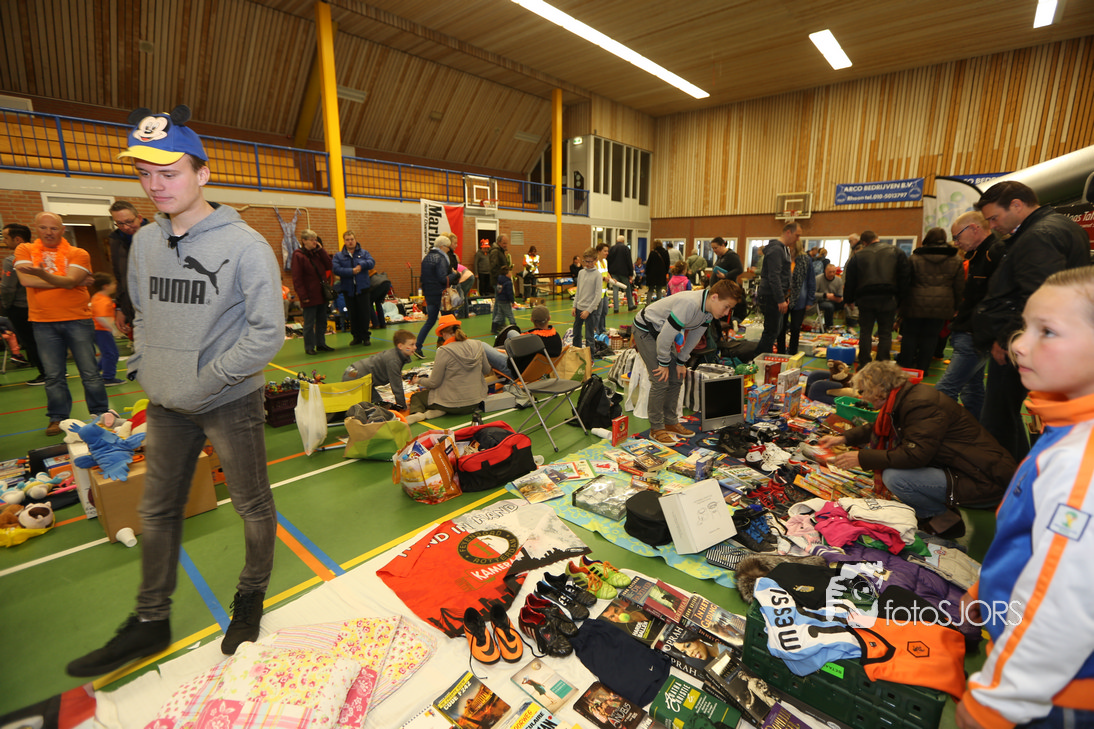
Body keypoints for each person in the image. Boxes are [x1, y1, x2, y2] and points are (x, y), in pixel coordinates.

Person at [66, 106, 283, 677]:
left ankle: (251, 596)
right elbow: (144, 314)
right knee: (157, 508)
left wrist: (204, 381)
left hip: (227, 400)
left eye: (170, 172)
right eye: (145, 174)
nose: (156, 185)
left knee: (252, 503)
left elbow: (267, 334)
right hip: (164, 403)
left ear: (202, 173)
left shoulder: (246, 245)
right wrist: (147, 368)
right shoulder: (144, 243)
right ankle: (150, 619)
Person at [956, 267, 1094, 729]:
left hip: (1054, 696)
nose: (1017, 344)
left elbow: (1065, 603)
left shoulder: (1081, 463)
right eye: (1024, 327)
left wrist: (999, 701)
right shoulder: (1066, 429)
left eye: (1046, 332)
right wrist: (986, 592)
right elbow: (1033, 544)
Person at [819, 361, 1015, 538]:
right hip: (968, 468)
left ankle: (944, 519)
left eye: (864, 391)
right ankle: (940, 513)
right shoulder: (906, 396)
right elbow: (879, 426)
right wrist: (844, 438)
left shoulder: (920, 404)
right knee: (895, 473)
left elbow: (915, 455)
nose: (862, 397)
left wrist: (862, 457)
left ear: (878, 389)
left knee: (895, 478)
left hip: (983, 478)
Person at [972, 180, 1090, 463]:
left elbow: (1037, 297)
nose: (993, 226)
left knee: (999, 417)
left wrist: (1007, 339)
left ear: (1016, 205)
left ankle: (1001, 478)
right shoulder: (1062, 227)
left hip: (1026, 341)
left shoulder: (1039, 236)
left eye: (994, 218)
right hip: (1051, 338)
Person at [13, 212, 110, 435]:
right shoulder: (24, 250)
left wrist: (44, 275)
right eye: (43, 227)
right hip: (43, 322)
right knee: (53, 375)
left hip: (78, 319)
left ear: (62, 230)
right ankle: (57, 418)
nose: (48, 232)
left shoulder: (78, 253)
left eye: (54, 228)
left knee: (90, 372)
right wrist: (67, 281)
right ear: (36, 228)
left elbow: (71, 280)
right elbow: (26, 280)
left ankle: (101, 414)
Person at [632, 279, 742, 444]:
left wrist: (681, 361)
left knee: (677, 375)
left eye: (730, 309)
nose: (727, 313)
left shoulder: (708, 311)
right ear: (714, 297)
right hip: (646, 329)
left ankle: (670, 421)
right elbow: (665, 338)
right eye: (726, 306)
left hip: (663, 332)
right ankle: (656, 428)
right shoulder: (690, 304)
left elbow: (695, 336)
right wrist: (663, 363)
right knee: (660, 379)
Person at [934, 212, 1006, 419]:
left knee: (944, 390)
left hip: (975, 335)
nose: (956, 242)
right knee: (972, 390)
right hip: (970, 331)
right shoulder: (977, 255)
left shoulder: (995, 253)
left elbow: (1000, 298)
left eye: (957, 237)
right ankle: (976, 430)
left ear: (974, 229)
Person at [897, 227, 963, 374]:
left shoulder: (914, 258)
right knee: (931, 338)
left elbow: (905, 283)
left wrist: (900, 305)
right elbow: (959, 286)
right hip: (942, 305)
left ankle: (905, 369)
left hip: (914, 303)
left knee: (910, 336)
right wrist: (957, 307)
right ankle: (923, 369)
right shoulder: (956, 260)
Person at [843, 230, 910, 370]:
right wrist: (901, 301)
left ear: (864, 243)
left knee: (865, 332)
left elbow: (850, 280)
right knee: (885, 333)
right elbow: (904, 277)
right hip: (888, 298)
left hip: (865, 299)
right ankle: (882, 365)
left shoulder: (858, 256)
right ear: (877, 238)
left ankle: (864, 364)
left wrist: (849, 299)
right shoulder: (896, 251)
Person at [406, 314, 489, 424]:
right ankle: (439, 410)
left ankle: (419, 414)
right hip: (475, 403)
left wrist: (418, 380)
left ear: (443, 333)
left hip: (452, 404)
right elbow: (487, 370)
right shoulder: (478, 345)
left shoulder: (444, 351)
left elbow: (434, 383)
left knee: (417, 397)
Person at [1, 223, 45, 384]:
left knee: (31, 341)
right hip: (43, 305)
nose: (4, 241)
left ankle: (46, 373)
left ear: (18, 239)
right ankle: (56, 370)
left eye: (6, 238)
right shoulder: (42, 255)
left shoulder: (12, 260)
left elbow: (8, 288)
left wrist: (6, 305)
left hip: (21, 307)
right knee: (45, 340)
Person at [751, 222, 798, 361]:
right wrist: (780, 299)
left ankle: (762, 359)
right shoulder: (776, 250)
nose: (798, 239)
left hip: (776, 295)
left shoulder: (784, 249)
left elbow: (784, 276)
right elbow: (774, 277)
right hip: (771, 296)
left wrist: (786, 296)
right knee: (771, 332)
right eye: (797, 235)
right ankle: (758, 361)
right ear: (788, 232)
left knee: (775, 330)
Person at [342, 329, 418, 411]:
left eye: (415, 344)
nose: (415, 347)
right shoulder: (393, 360)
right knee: (373, 408)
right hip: (354, 376)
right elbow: (396, 386)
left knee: (379, 404)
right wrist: (402, 406)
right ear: (400, 346)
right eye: (411, 345)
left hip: (353, 371)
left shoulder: (395, 354)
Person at [107, 200, 150, 340]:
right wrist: (120, 308)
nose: (126, 227)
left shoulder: (158, 235)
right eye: (120, 224)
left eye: (129, 222)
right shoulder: (115, 241)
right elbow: (120, 277)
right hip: (133, 308)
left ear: (139, 217)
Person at [290, 229, 334, 356]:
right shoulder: (298, 255)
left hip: (321, 294)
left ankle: (321, 344)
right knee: (309, 323)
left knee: (322, 321)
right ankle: (309, 346)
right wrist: (303, 296)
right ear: (304, 241)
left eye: (315, 240)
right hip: (309, 295)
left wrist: (321, 250)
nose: (315, 242)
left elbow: (329, 265)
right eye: (312, 240)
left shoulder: (317, 253)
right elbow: (297, 278)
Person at [414, 235, 459, 358]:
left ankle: (418, 346)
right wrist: (454, 274)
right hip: (441, 295)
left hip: (429, 294)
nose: (449, 250)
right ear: (442, 247)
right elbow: (443, 278)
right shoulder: (441, 258)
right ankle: (453, 347)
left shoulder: (426, 258)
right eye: (448, 247)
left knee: (430, 321)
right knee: (450, 321)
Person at [332, 230, 374, 346]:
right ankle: (356, 337)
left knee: (364, 314)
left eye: (352, 239)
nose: (350, 242)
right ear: (344, 241)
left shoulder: (364, 253)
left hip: (363, 288)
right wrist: (351, 271)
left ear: (355, 240)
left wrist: (361, 265)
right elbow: (336, 269)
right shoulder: (338, 256)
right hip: (348, 290)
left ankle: (366, 337)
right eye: (347, 240)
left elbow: (372, 262)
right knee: (352, 314)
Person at [89, 272, 125, 386]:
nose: (115, 286)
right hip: (101, 331)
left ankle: (94, 373)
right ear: (106, 286)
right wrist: (114, 330)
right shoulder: (103, 300)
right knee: (111, 353)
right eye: (113, 283)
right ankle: (108, 378)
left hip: (97, 330)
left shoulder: (97, 297)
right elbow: (101, 317)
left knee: (107, 353)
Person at [782, 237, 816, 355]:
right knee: (781, 328)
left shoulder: (806, 260)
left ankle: (792, 352)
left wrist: (809, 300)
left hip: (800, 299)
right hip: (783, 298)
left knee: (796, 328)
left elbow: (811, 281)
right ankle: (781, 351)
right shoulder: (782, 259)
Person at [573, 248, 601, 353]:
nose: (588, 264)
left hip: (590, 311)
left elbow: (598, 296)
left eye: (590, 261)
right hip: (579, 308)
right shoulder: (581, 273)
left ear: (596, 260)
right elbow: (578, 291)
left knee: (589, 336)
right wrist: (574, 306)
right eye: (585, 261)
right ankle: (577, 354)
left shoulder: (597, 275)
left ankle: (590, 357)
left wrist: (588, 311)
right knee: (576, 333)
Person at [607, 235, 635, 313]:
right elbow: (629, 261)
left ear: (617, 240)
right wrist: (631, 273)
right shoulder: (626, 248)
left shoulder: (612, 248)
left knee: (615, 289)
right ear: (623, 241)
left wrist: (609, 272)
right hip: (624, 272)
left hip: (613, 272)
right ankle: (630, 305)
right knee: (627, 288)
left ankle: (616, 308)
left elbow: (608, 260)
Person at [815, 264, 844, 332]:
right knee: (829, 307)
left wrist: (839, 298)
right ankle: (829, 327)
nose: (832, 274)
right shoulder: (818, 279)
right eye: (830, 272)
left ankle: (850, 325)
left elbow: (840, 294)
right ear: (825, 271)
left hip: (834, 300)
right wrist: (825, 295)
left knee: (847, 303)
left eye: (833, 272)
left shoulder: (839, 280)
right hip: (821, 300)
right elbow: (812, 294)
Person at [493, 264, 517, 331]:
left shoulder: (499, 280)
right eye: (510, 273)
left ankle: (494, 327)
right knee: (510, 315)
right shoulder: (508, 282)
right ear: (507, 274)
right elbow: (509, 293)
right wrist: (512, 301)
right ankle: (514, 327)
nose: (511, 274)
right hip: (505, 301)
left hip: (500, 300)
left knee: (499, 315)